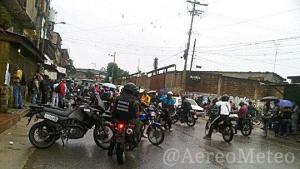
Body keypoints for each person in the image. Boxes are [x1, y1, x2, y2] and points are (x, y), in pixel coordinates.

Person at [108, 82, 141, 156]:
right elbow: (136, 114)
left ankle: (110, 151)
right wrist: (138, 115)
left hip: (117, 120)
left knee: (116, 134)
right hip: (128, 121)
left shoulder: (118, 98)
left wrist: (113, 118)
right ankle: (134, 141)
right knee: (138, 124)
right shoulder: (134, 101)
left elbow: (113, 110)